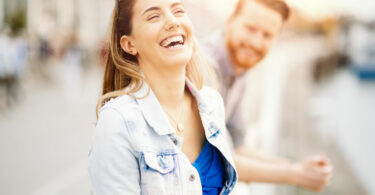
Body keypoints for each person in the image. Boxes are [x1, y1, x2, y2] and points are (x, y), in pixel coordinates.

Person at [88, 0, 237, 194]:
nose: (173, 22)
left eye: (178, 11)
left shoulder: (212, 103)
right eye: (153, 16)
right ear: (129, 44)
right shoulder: (117, 123)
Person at [203, 0, 332, 192]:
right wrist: (295, 174)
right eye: (250, 28)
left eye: (267, 35)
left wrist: (295, 167)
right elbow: (219, 159)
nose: (256, 42)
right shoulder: (205, 68)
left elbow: (238, 145)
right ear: (230, 20)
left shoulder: (238, 66)